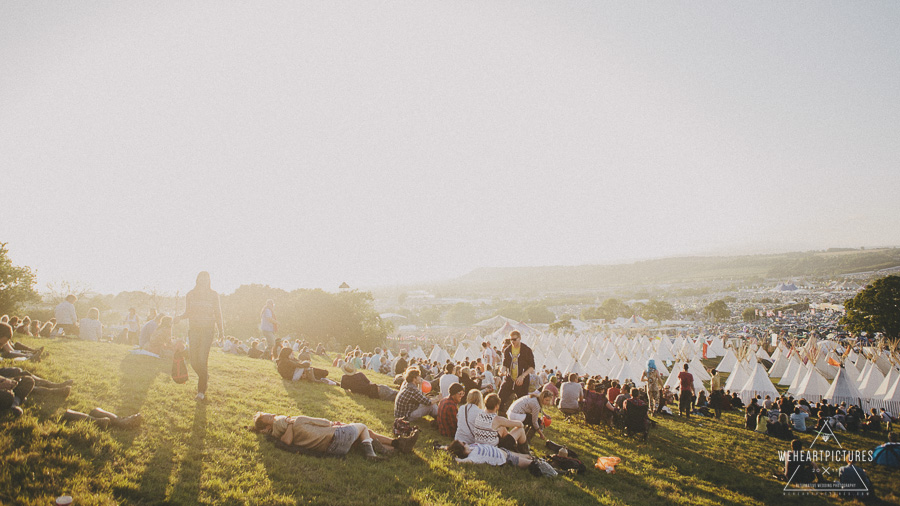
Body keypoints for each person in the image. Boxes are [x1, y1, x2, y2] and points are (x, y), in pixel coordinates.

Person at [251, 411, 418, 459]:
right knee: (362, 426)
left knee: (366, 435)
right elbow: (325, 422)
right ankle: (372, 452)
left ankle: (396, 447)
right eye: (269, 416)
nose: (273, 415)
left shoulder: (283, 436)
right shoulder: (298, 420)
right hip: (337, 438)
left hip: (332, 449)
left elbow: (287, 442)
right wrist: (292, 422)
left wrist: (288, 426)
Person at [175, 271, 225, 401]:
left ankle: (201, 391)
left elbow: (218, 313)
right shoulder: (190, 294)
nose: (204, 281)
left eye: (206, 279)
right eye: (201, 278)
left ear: (209, 280)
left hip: (208, 330)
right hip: (194, 329)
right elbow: (188, 312)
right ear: (197, 280)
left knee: (202, 359)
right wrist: (180, 317)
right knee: (193, 360)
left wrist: (221, 331)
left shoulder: (213, 295)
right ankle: (205, 376)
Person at [498, 331, 535, 412]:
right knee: (500, 398)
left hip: (522, 380)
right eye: (511, 340)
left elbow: (532, 367)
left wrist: (522, 376)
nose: (512, 342)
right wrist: (502, 370)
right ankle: (500, 416)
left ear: (520, 338)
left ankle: (522, 420)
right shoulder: (507, 350)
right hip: (509, 379)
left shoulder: (526, 350)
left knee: (523, 402)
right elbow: (505, 364)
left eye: (514, 339)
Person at [447, 440, 535, 470]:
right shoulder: (473, 456)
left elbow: (449, 447)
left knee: (528, 456)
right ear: (463, 452)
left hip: (503, 451)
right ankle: (544, 466)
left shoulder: (472, 447)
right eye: (464, 444)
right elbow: (465, 461)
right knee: (532, 463)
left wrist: (443, 447)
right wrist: (455, 459)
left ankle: (538, 459)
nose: (466, 444)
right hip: (506, 459)